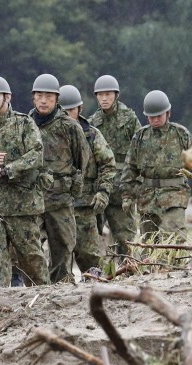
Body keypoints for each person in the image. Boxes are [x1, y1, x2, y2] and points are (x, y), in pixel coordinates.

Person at [0, 75, 48, 288]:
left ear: (7, 97)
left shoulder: (24, 124)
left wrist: (5, 171)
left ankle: (43, 299)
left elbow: (35, 156)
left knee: (31, 257)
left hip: (22, 204)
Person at [30, 73, 90, 283]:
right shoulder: (25, 125)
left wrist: (69, 184)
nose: (44, 100)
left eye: (48, 96)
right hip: (32, 199)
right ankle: (33, 289)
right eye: (39, 96)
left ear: (57, 99)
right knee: (28, 246)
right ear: (33, 98)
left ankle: (61, 293)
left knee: (63, 249)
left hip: (60, 199)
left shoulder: (69, 126)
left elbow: (82, 159)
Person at [120, 90, 192, 237]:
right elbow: (130, 168)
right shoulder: (140, 137)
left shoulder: (181, 134)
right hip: (147, 198)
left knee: (174, 238)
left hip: (174, 195)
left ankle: (175, 260)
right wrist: (127, 196)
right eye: (151, 117)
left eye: (158, 116)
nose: (154, 120)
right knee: (148, 242)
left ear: (168, 113)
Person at [59, 84, 117, 274]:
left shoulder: (92, 135)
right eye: (63, 111)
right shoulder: (49, 135)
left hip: (86, 205)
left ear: (80, 110)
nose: (67, 115)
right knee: (59, 259)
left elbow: (108, 164)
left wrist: (103, 192)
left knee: (89, 257)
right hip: (58, 205)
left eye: (71, 110)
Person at [88, 75, 140, 255]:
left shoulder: (129, 119)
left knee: (126, 239)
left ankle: (130, 273)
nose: (104, 98)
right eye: (100, 95)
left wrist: (133, 189)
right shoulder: (92, 122)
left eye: (108, 94)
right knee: (92, 239)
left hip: (122, 189)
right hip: (100, 189)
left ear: (116, 95)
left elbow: (138, 153)